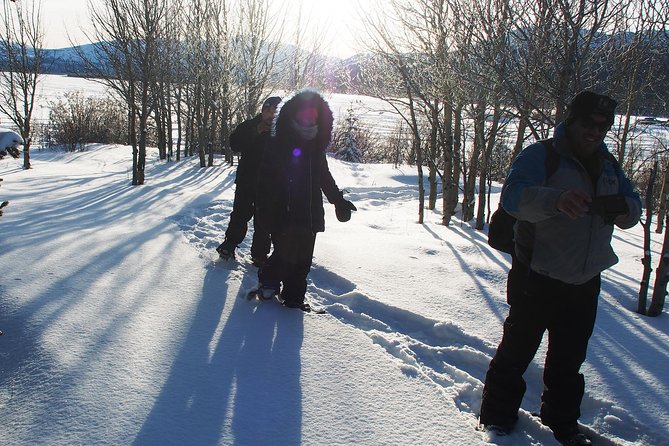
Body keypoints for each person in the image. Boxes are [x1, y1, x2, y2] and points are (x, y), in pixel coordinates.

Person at [478, 91, 642, 446]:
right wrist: (556, 200)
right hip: (536, 276)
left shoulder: (609, 164)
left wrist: (622, 208)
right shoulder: (542, 156)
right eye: (588, 123)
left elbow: (635, 206)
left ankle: (562, 423)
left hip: (584, 281)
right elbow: (512, 197)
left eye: (603, 126)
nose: (595, 131)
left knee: (569, 362)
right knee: (516, 352)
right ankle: (496, 421)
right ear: (572, 120)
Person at [254, 89, 357, 312]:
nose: (309, 120)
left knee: (303, 262)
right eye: (305, 115)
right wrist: (264, 209)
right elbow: (265, 180)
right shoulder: (278, 143)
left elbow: (324, 177)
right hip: (283, 212)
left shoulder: (315, 147)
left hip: (309, 214)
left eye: (314, 116)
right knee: (284, 256)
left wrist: (338, 201)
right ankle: (269, 280)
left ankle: (294, 298)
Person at [216, 96, 281, 266]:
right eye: (268, 110)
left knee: (264, 220)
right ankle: (229, 245)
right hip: (247, 179)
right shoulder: (249, 125)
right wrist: (256, 132)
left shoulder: (282, 131)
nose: (271, 114)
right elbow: (234, 144)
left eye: (275, 110)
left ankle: (259, 254)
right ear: (262, 110)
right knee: (240, 214)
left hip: (270, 183)